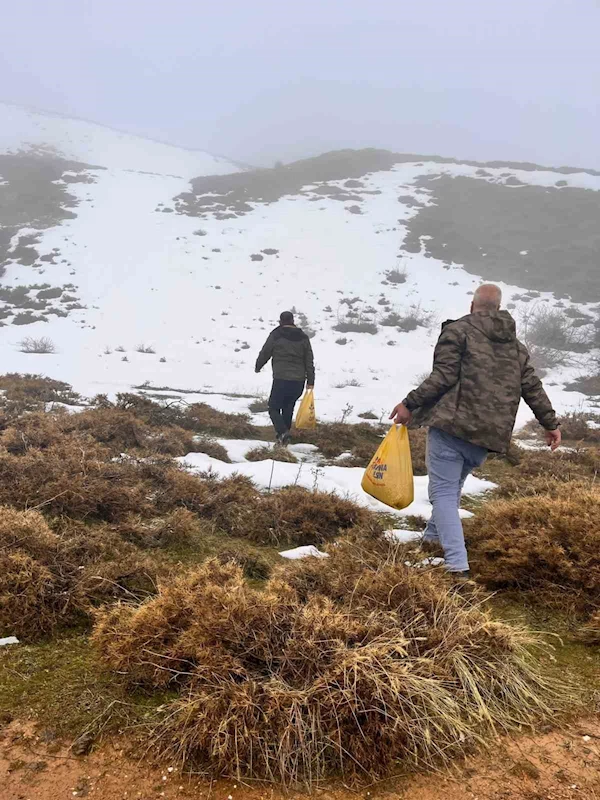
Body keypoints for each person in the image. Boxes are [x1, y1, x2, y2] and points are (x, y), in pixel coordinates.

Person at [390, 284, 561, 580]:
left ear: (472, 306)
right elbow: (532, 388)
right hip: (487, 436)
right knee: (451, 488)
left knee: (442, 493)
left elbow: (443, 376)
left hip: (452, 427)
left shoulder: (458, 332)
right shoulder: (517, 348)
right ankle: (431, 542)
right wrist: (551, 424)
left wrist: (409, 403)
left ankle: (457, 567)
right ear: (498, 308)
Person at [255, 311, 315, 445]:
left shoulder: (276, 334)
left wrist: (258, 366)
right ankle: (283, 440)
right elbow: (309, 360)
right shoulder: (303, 337)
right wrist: (310, 381)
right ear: (293, 320)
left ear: (280, 321)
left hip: (281, 378)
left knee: (273, 408)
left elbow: (266, 352)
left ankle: (282, 433)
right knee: (288, 407)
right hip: (298, 380)